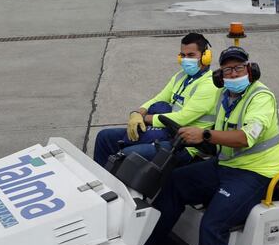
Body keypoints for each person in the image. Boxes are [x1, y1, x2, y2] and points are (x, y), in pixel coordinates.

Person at [139, 45, 279, 245]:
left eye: (239, 68)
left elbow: (246, 137)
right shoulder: (226, 96)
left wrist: (205, 134)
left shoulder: (261, 97)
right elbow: (214, 136)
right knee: (175, 182)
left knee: (213, 224)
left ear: (250, 70)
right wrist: (195, 137)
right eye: (228, 70)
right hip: (226, 166)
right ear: (220, 75)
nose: (234, 73)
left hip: (258, 173)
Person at [93, 33, 218, 166]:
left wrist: (145, 118)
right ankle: (101, 181)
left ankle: (120, 184)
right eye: (183, 55)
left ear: (206, 57)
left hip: (185, 145)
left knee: (128, 155)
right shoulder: (181, 77)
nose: (186, 59)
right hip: (165, 132)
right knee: (104, 137)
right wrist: (138, 113)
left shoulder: (210, 85)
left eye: (191, 55)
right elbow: (159, 98)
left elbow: (182, 118)